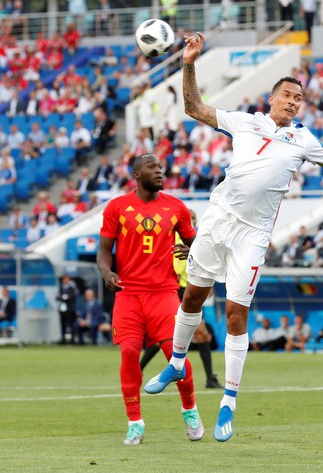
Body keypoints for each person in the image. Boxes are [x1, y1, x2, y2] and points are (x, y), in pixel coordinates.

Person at [144, 32, 323, 442]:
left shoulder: (304, 139)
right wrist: (188, 62)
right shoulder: (244, 122)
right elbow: (193, 107)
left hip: (253, 236)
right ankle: (176, 362)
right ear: (272, 98)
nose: (294, 102)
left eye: (299, 98)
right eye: (288, 95)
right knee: (192, 298)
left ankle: (228, 403)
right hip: (218, 220)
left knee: (237, 315)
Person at [96, 153, 204, 446]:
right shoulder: (117, 207)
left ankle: (190, 409)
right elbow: (104, 250)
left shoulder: (177, 208)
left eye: (160, 167)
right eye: (152, 167)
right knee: (130, 353)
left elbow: (199, 244)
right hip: (128, 294)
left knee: (175, 355)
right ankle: (135, 423)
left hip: (164, 294)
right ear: (137, 174)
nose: (159, 171)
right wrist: (107, 273)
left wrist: (192, 253)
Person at [139, 208, 223, 389]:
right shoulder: (170, 237)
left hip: (189, 290)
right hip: (171, 290)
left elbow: (207, 262)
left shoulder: (199, 240)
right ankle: (138, 370)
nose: (191, 221)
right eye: (189, 218)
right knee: (165, 336)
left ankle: (210, 378)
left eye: (194, 218)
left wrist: (208, 284)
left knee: (201, 334)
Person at [56, 274, 78, 344]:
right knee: (63, 325)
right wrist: (64, 297)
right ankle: (63, 339)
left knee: (71, 325)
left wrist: (63, 297)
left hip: (70, 310)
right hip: (63, 310)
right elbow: (57, 297)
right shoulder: (62, 288)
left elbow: (71, 297)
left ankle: (72, 340)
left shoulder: (72, 288)